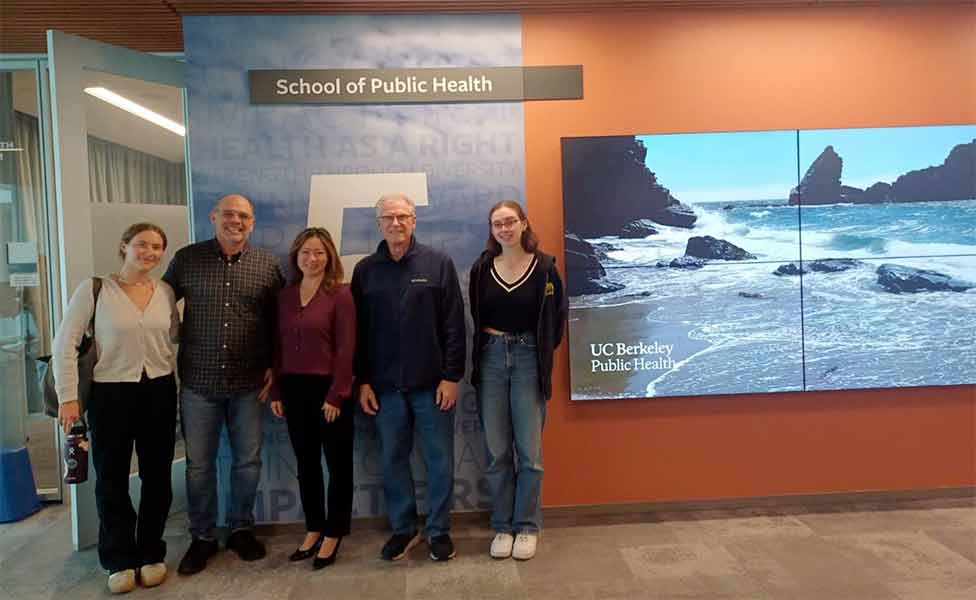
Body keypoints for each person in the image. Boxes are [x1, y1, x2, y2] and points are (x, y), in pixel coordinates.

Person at [53, 223, 179, 593]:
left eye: (157, 247)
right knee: (111, 477)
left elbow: (174, 339)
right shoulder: (94, 290)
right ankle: (119, 558)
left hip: (159, 389)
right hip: (111, 393)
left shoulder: (166, 292)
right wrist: (69, 397)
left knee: (157, 476)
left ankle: (151, 552)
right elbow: (65, 344)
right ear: (124, 247)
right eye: (141, 245)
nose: (150, 252)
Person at [163, 194, 285, 575]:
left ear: (252, 223)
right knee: (199, 466)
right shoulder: (186, 259)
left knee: (247, 462)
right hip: (199, 382)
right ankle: (202, 537)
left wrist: (275, 369)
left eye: (244, 216)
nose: (236, 221)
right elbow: (156, 304)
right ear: (213, 217)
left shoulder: (267, 265)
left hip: (249, 382)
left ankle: (240, 530)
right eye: (229, 214)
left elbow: (280, 324)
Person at [351, 193, 465, 562]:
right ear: (379, 224)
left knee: (440, 462)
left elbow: (453, 326)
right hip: (385, 389)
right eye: (389, 217)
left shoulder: (438, 263)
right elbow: (359, 333)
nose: (396, 223)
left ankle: (439, 531)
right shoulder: (366, 270)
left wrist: (451, 377)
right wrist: (363, 380)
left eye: (403, 216)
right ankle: (403, 529)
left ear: (414, 221)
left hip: (433, 387)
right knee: (392, 461)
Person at [468, 200, 567, 561]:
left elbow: (557, 321)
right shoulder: (482, 268)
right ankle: (502, 527)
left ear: (524, 224)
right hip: (491, 358)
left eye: (510, 221)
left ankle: (526, 526)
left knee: (529, 454)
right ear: (491, 230)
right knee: (497, 453)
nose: (504, 229)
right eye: (497, 224)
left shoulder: (545, 268)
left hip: (528, 360)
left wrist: (537, 352)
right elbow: (476, 316)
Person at [269, 227, 356, 570]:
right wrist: (276, 389)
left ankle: (334, 532)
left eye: (319, 252)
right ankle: (313, 527)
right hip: (293, 389)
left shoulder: (341, 295)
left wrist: (337, 395)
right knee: (306, 465)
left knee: (337, 465)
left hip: (331, 391)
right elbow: (276, 348)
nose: (312, 258)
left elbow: (347, 349)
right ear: (296, 256)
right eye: (306, 252)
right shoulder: (285, 296)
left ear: (329, 256)